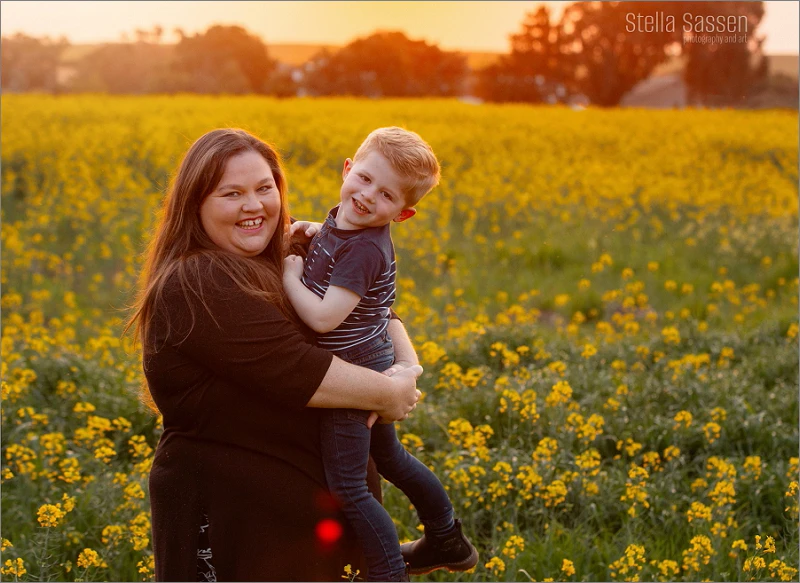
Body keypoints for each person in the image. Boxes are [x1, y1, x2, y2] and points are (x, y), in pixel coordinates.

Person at [126, 128, 425, 582]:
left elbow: (374, 310)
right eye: (232, 194)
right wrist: (387, 394)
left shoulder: (281, 254)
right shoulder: (196, 281)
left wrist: (407, 368)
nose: (254, 206)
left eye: (264, 188)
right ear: (195, 204)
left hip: (307, 526)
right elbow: (298, 370)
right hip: (241, 527)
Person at [282, 127, 478, 581]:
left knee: (350, 487)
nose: (368, 197)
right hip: (372, 357)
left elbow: (323, 319)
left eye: (386, 194)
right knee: (391, 460)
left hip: (353, 375)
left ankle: (389, 575)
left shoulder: (366, 249)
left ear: (403, 214)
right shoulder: (344, 220)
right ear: (348, 169)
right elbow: (333, 234)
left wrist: (291, 273)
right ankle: (446, 536)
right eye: (365, 179)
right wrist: (312, 230)